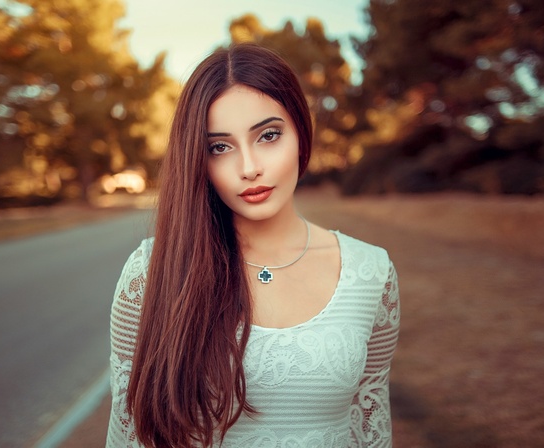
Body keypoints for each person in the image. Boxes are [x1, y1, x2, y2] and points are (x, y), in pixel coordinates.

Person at [106, 43, 400, 448]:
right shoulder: (152, 270)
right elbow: (128, 436)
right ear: (199, 161)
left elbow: (370, 430)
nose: (249, 168)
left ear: (301, 132)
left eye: (269, 135)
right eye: (220, 147)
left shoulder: (371, 273)